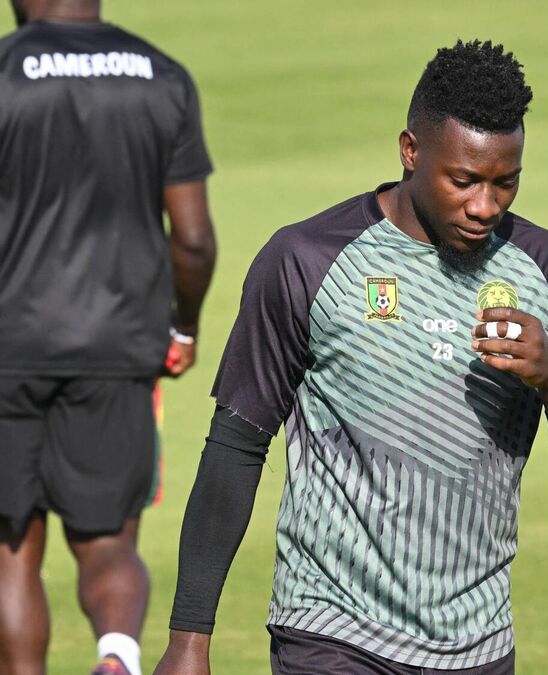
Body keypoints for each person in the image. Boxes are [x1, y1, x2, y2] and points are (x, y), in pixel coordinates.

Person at [154, 39, 548, 675]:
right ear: (411, 151)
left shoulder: (543, 266)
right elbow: (236, 445)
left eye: (506, 183)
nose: (485, 206)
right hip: (330, 632)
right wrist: (189, 638)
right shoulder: (308, 259)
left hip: (479, 645)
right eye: (463, 180)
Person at [0, 1, 216, 674]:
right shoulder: (162, 75)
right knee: (110, 543)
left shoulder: (4, 71)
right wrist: (184, 325)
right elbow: (193, 238)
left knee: (11, 552)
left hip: (9, 349)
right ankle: (117, 654)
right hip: (120, 348)